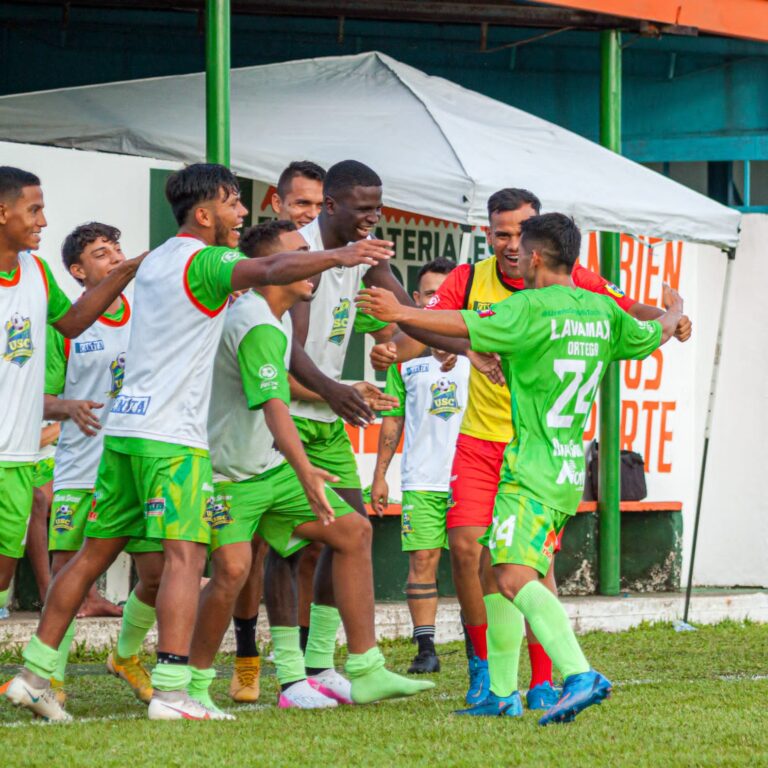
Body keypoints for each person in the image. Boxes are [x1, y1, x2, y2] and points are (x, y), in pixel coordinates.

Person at [5, 162, 395, 722]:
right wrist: (340, 255)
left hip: (125, 432)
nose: (242, 213)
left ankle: (35, 672)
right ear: (206, 213)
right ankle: (172, 690)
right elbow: (272, 266)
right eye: (233, 202)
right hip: (172, 440)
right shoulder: (208, 261)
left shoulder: (159, 256)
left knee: (92, 556)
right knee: (185, 559)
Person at [369, 188, 692, 708]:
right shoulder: (600, 312)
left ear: (536, 255)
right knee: (496, 561)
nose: (512, 248)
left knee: (513, 574)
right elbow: (651, 332)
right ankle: (500, 691)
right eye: (503, 235)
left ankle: (576, 673)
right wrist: (674, 311)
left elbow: (463, 324)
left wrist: (399, 310)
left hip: (528, 465)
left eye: (521, 240)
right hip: (562, 467)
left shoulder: (528, 308)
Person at [188, 219, 433, 715]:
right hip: (229, 478)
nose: (312, 265)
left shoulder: (275, 317)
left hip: (268, 469)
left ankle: (363, 666)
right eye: (300, 256)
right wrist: (305, 469)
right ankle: (190, 685)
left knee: (353, 532)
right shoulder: (255, 322)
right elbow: (275, 408)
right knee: (231, 571)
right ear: (271, 267)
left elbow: (293, 386)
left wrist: (347, 389)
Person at [277, 159, 419, 700]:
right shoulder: (298, 253)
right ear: (332, 205)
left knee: (349, 537)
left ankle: (322, 663)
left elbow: (409, 318)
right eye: (363, 208)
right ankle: (287, 673)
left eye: (377, 208)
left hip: (328, 420)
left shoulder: (366, 254)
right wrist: (337, 391)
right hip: (283, 418)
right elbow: (284, 359)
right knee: (279, 551)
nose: (372, 217)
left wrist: (461, 345)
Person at [0, 165, 143, 642]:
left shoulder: (37, 273)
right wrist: (64, 408)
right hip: (51, 460)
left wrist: (126, 272)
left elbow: (76, 321)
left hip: (18, 456)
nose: (42, 221)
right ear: (3, 212)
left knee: (2, 576)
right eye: (34, 210)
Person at [43, 222, 165, 706]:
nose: (115, 256)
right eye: (100, 252)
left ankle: (126, 656)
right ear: (78, 271)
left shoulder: (149, 312)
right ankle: (48, 677)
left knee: (156, 573)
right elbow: (38, 397)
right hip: (80, 468)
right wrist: (66, 407)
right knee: (66, 574)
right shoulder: (66, 328)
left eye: (117, 248)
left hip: (137, 464)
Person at [370, 257, 469, 674]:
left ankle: (478, 644)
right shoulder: (402, 356)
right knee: (422, 561)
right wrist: (380, 475)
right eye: (430, 294)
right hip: (422, 478)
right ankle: (426, 649)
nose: (437, 302)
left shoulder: (477, 346)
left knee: (472, 563)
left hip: (470, 476)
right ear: (416, 298)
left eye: (445, 295)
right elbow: (393, 418)